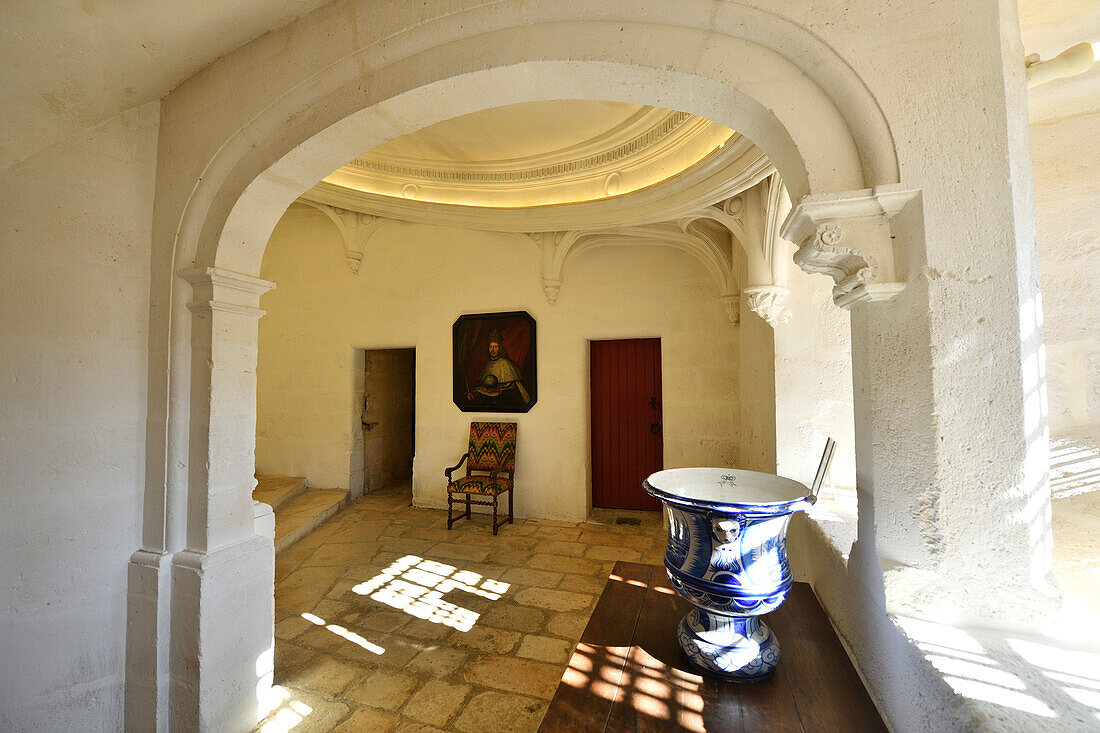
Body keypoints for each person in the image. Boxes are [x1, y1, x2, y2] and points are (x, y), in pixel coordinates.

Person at [466, 329, 531, 407]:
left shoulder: (506, 363)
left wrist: (499, 391)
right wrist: (474, 394)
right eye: (490, 347)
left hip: (504, 401)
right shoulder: (488, 364)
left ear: (499, 348)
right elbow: (481, 387)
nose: (492, 350)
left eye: (495, 347)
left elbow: (516, 390)